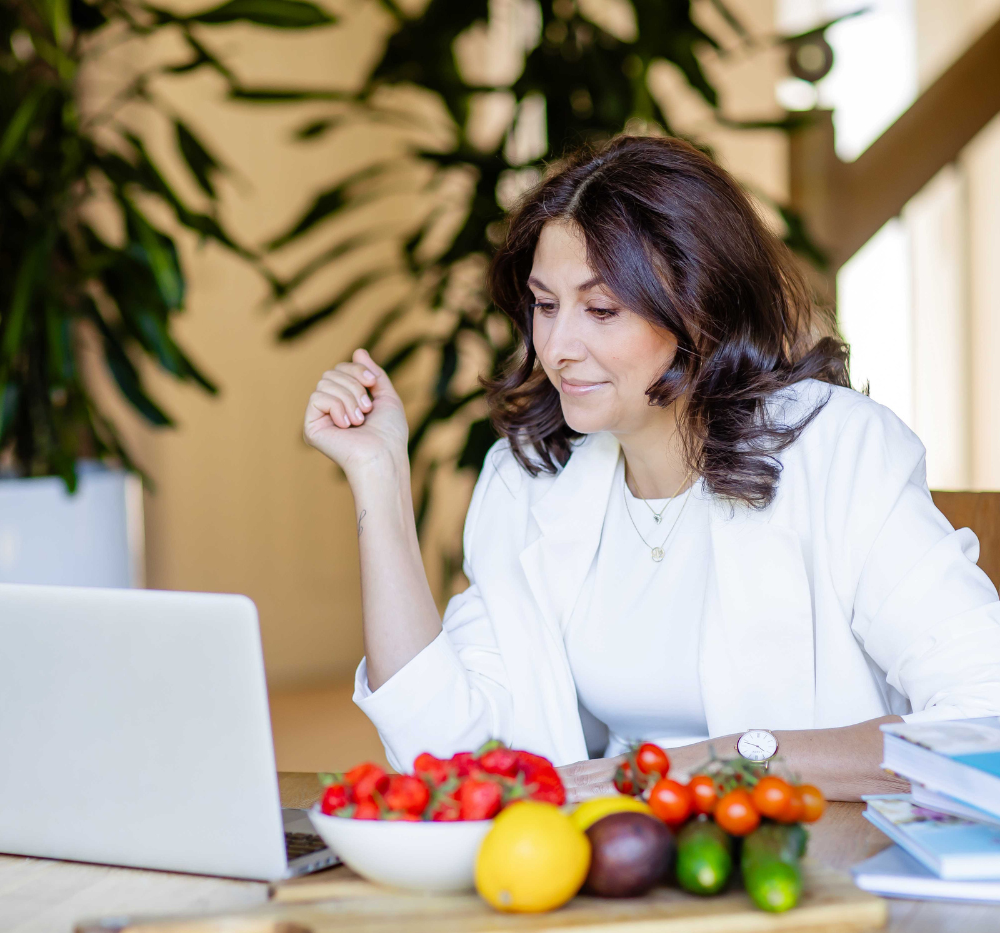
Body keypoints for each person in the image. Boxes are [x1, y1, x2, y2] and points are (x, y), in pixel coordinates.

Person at [303, 135, 1000, 802]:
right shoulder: (529, 479)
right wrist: (380, 479)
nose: (559, 347)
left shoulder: (838, 451)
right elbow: (445, 753)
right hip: (616, 872)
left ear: (697, 309)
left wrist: (693, 764)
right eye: (545, 306)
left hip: (813, 867)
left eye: (602, 309)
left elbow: (982, 721)